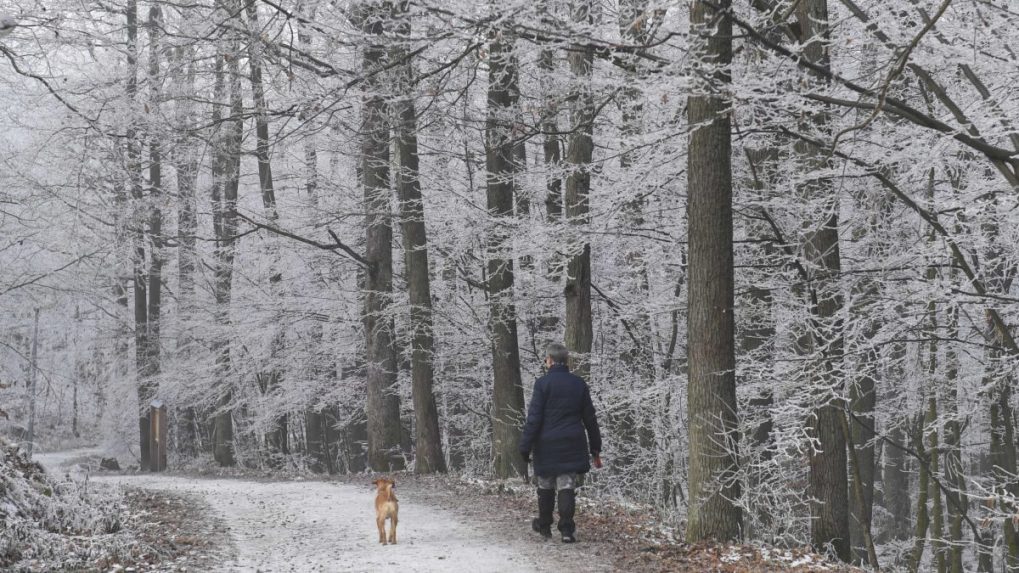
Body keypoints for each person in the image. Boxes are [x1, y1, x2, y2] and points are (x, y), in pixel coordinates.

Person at [519, 342, 602, 543]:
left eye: (546, 358)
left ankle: (545, 525)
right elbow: (590, 418)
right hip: (572, 441)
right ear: (566, 361)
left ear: (550, 360)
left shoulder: (542, 384)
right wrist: (595, 448)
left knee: (546, 484)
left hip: (546, 443)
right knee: (566, 484)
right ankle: (566, 529)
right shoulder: (578, 384)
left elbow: (534, 419)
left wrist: (525, 445)